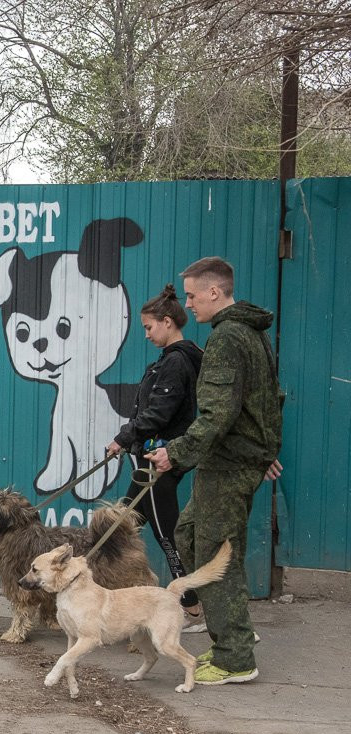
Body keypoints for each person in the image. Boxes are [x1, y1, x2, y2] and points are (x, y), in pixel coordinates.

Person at [148, 257, 283, 686]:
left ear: (214, 292)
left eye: (191, 295)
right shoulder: (251, 335)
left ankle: (233, 657)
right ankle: (236, 632)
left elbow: (219, 412)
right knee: (189, 536)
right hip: (235, 460)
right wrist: (262, 450)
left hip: (226, 467)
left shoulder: (228, 337)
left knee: (216, 558)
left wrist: (176, 453)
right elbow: (266, 400)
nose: (188, 304)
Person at [105, 285, 206, 631]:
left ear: (166, 322)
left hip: (159, 462)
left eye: (149, 327)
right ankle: (112, 596)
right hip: (148, 460)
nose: (146, 334)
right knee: (120, 528)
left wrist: (123, 437)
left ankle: (191, 609)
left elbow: (159, 413)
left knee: (167, 535)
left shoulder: (177, 360)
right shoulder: (169, 359)